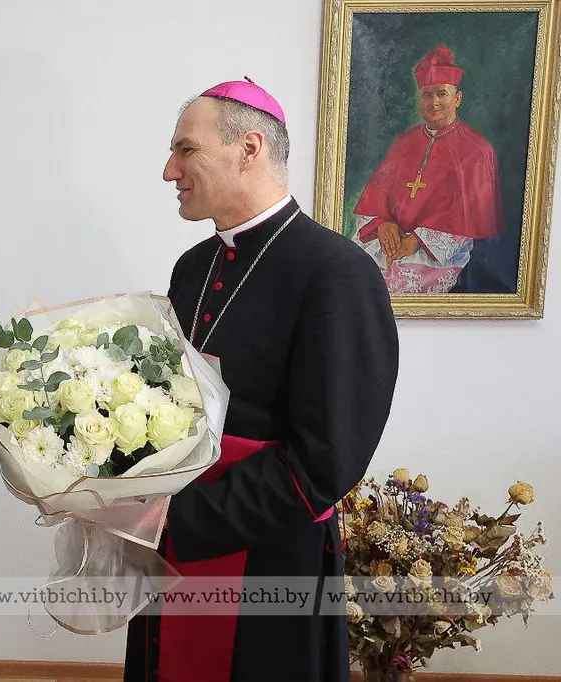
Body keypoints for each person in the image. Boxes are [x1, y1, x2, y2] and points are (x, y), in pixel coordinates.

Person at [123, 79, 399, 682]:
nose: (170, 171)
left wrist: (180, 519)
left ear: (248, 148)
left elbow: (326, 461)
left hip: (270, 561)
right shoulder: (192, 268)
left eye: (185, 150)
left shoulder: (338, 273)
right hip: (172, 541)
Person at [352, 45, 505, 293]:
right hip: (391, 244)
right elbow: (377, 195)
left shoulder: (477, 149)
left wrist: (417, 240)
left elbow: (471, 216)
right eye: (427, 94)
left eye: (442, 94)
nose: (433, 102)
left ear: (458, 99)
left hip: (439, 253)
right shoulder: (404, 143)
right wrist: (382, 223)